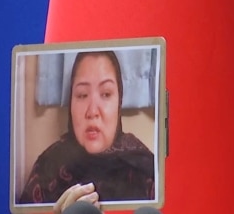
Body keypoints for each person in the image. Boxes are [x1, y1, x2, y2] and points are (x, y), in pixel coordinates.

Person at [19, 51, 155, 209]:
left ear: (119, 103)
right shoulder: (48, 168)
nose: (92, 112)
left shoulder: (144, 170)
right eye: (83, 95)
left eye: (106, 94)